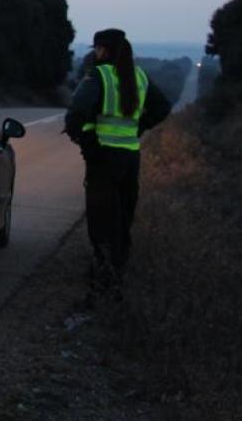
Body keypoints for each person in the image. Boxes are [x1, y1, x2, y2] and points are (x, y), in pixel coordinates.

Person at [64, 28, 172, 294]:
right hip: (130, 157)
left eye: (97, 48)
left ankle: (104, 277)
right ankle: (119, 270)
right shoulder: (139, 76)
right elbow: (163, 106)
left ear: (104, 50)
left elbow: (77, 111)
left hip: (103, 157)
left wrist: (85, 140)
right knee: (123, 214)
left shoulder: (99, 75)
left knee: (101, 217)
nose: (94, 52)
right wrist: (139, 127)